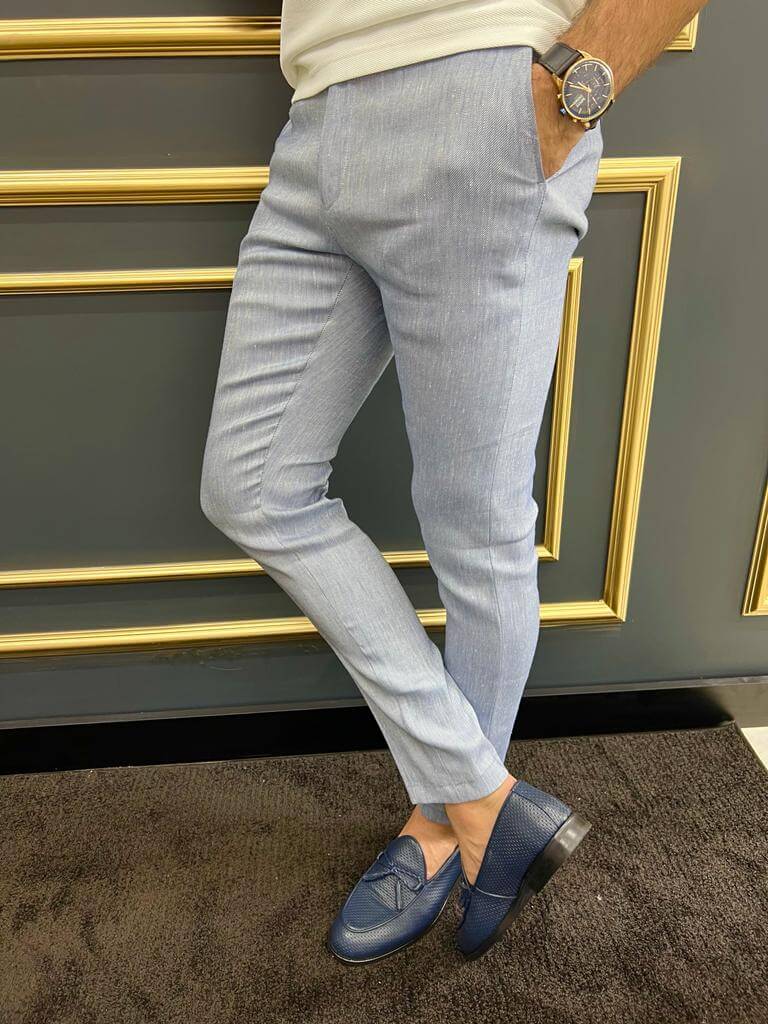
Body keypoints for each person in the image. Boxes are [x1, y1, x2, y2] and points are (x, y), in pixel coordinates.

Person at [200, 0, 708, 963]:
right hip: (317, 116)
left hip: (485, 94)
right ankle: (484, 795)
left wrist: (567, 93)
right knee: (251, 485)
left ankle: (440, 826)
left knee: (475, 523)